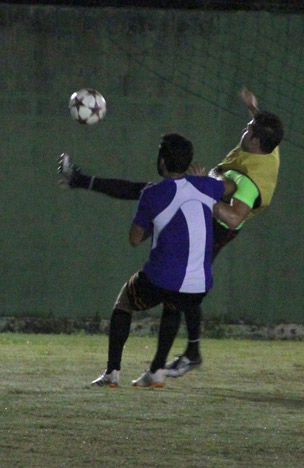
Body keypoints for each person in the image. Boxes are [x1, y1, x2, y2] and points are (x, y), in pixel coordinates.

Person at [60, 87, 284, 378]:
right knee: (180, 286)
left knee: (181, 286)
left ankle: (188, 354)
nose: (245, 128)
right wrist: (253, 108)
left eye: (249, 128)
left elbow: (233, 217)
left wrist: (198, 194)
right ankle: (164, 366)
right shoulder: (268, 147)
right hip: (205, 199)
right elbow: (264, 130)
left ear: (255, 141)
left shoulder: (252, 180)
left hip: (217, 226)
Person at [89, 133, 225, 388]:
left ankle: (112, 373)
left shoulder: (153, 194)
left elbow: (134, 238)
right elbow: (231, 186)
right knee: (173, 306)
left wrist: (157, 221)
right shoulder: (208, 186)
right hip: (200, 285)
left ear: (162, 161)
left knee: (124, 302)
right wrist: (208, 178)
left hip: (161, 278)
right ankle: (156, 372)